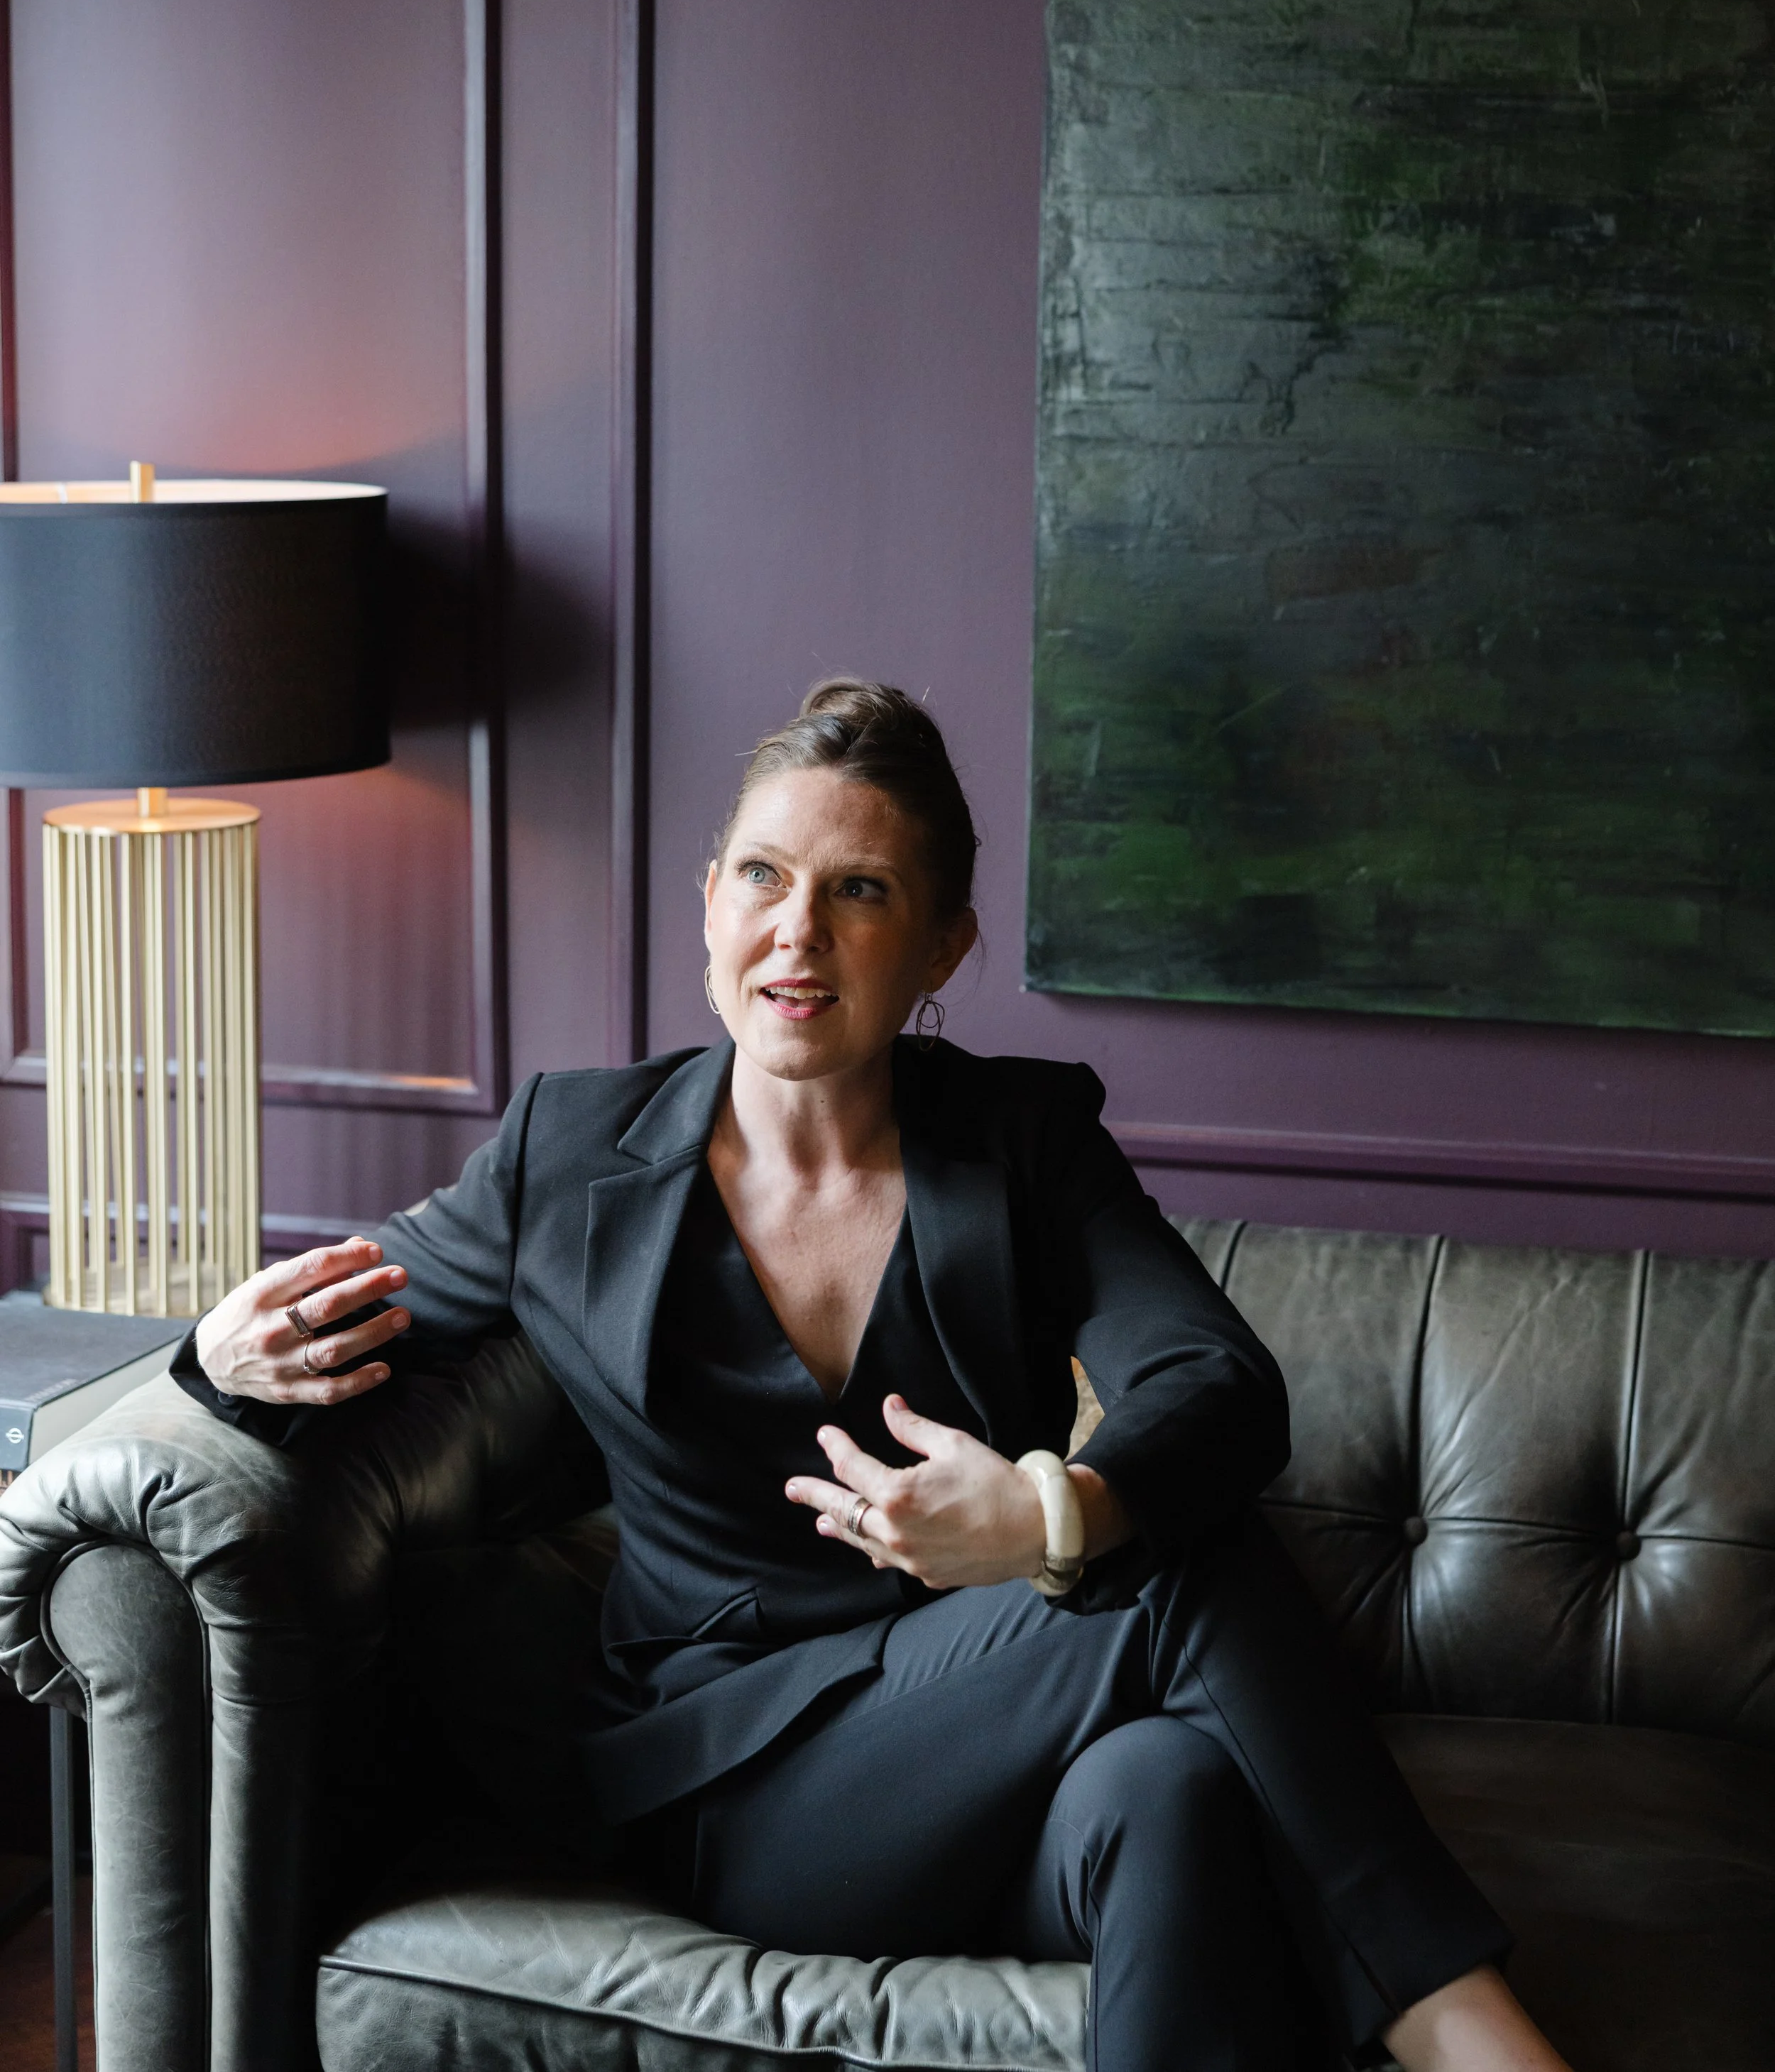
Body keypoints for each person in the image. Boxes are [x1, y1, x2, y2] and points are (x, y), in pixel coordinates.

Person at [181, 679, 1573, 2072]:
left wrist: (1043, 1512)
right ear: (708, 900)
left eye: (859, 888)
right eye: (762, 876)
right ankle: (1467, 2029)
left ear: (938, 945)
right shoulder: (570, 1149)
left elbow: (1215, 1382)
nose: (798, 929)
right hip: (735, 1775)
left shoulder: (1024, 1139)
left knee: (1176, 1781)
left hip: (1001, 1758)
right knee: (1180, 1570)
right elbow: (333, 1315)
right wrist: (210, 1354)